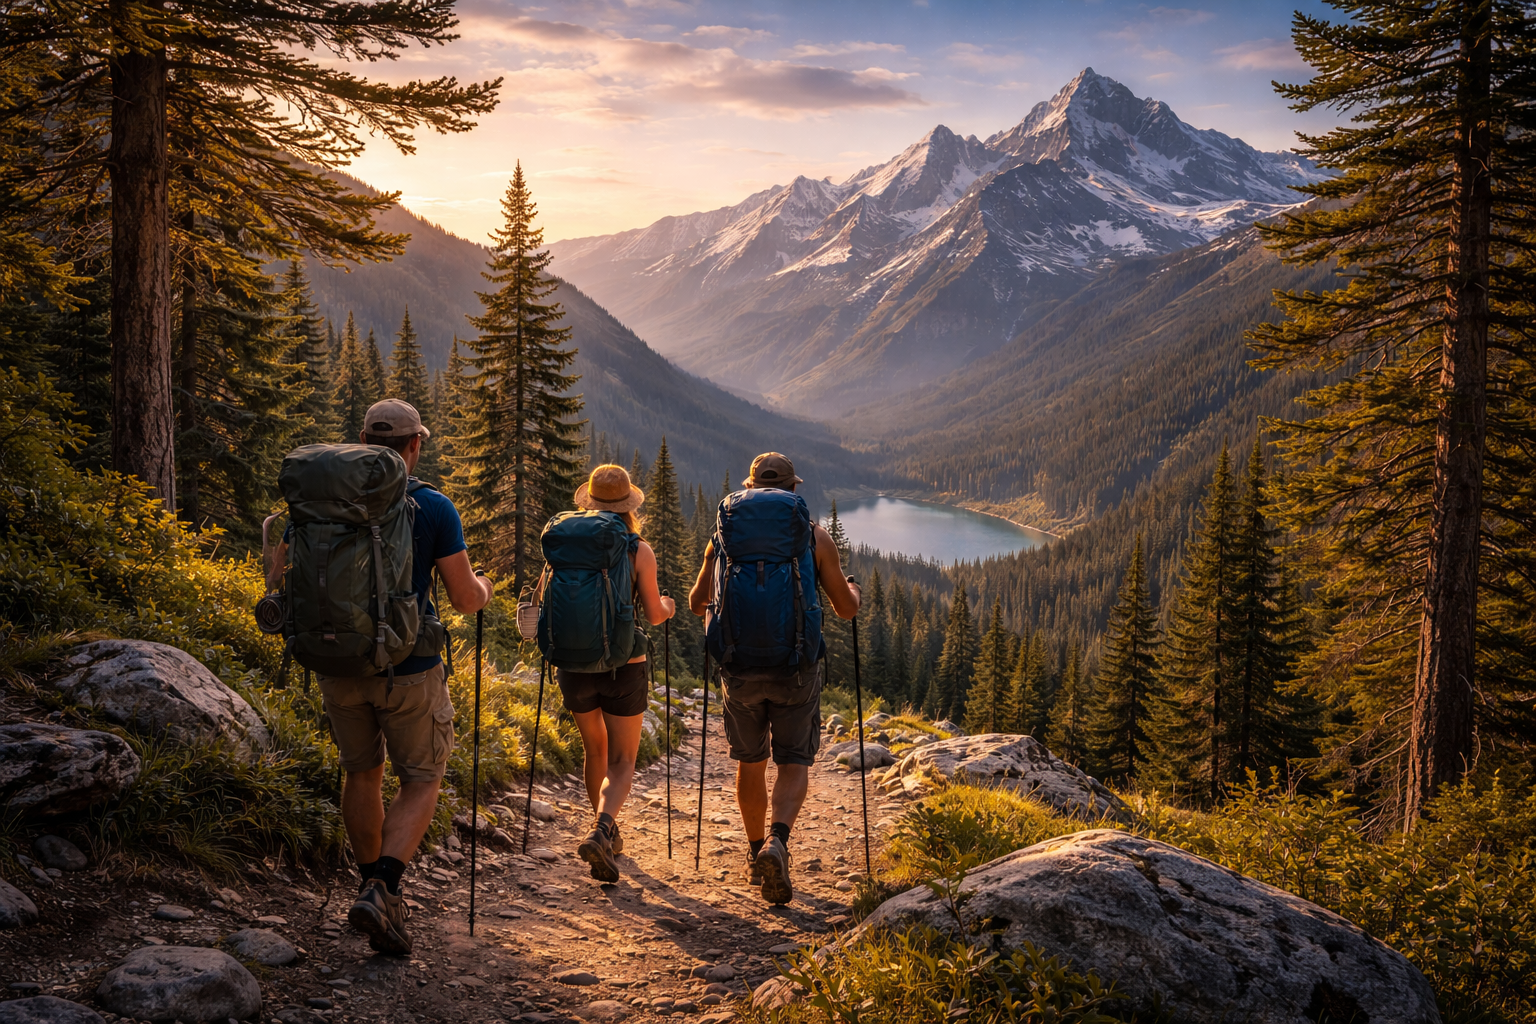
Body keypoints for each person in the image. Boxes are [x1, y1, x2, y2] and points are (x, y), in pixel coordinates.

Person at [270, 399, 493, 955]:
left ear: (364, 440)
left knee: (361, 774)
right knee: (421, 777)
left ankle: (370, 883)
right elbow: (465, 599)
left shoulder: (317, 505)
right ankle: (382, 886)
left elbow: (279, 578)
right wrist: (485, 586)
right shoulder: (434, 507)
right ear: (414, 445)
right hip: (410, 667)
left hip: (336, 661)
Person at [688, 452, 860, 905]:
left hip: (738, 667)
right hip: (795, 667)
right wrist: (855, 589)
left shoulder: (723, 535)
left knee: (751, 761)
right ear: (793, 490)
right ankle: (778, 842)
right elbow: (846, 608)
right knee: (793, 761)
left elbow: (695, 601)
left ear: (750, 487)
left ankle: (752, 852)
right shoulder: (813, 536)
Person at [549, 464, 676, 882]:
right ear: (628, 505)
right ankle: (603, 830)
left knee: (595, 751)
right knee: (622, 759)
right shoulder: (638, 549)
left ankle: (605, 830)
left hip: (572, 664)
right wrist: (670, 607)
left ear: (588, 500)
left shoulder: (564, 543)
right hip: (624, 666)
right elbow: (655, 616)